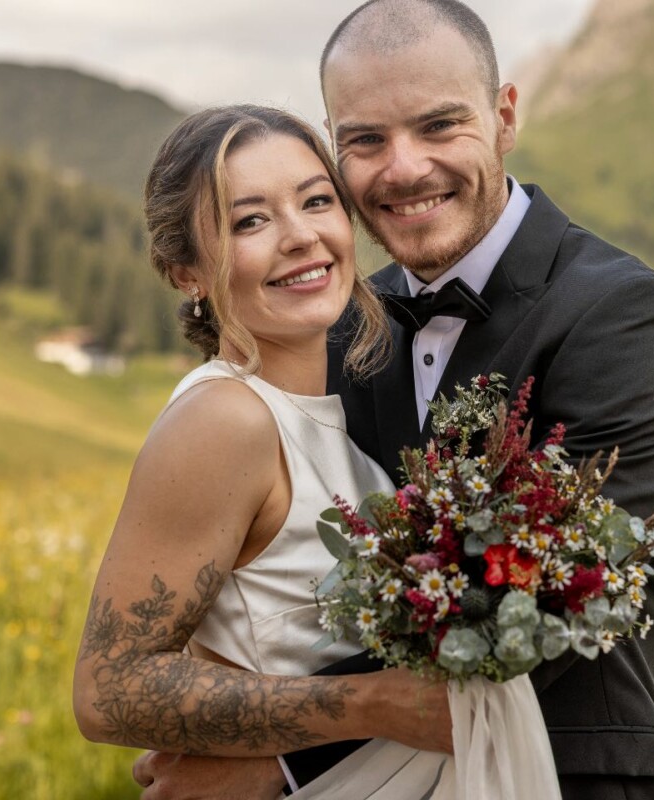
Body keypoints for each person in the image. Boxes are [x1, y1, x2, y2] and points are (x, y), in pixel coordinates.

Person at [134, 1, 654, 798]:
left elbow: (563, 608)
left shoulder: (623, 315)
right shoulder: (336, 325)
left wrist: (276, 756)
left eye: (440, 127)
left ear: (505, 117)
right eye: (366, 140)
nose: (404, 169)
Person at [72, 105, 455, 800]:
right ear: (185, 271)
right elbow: (111, 688)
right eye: (251, 221)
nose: (301, 237)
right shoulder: (226, 419)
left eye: (317, 201)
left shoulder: (336, 418)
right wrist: (374, 704)